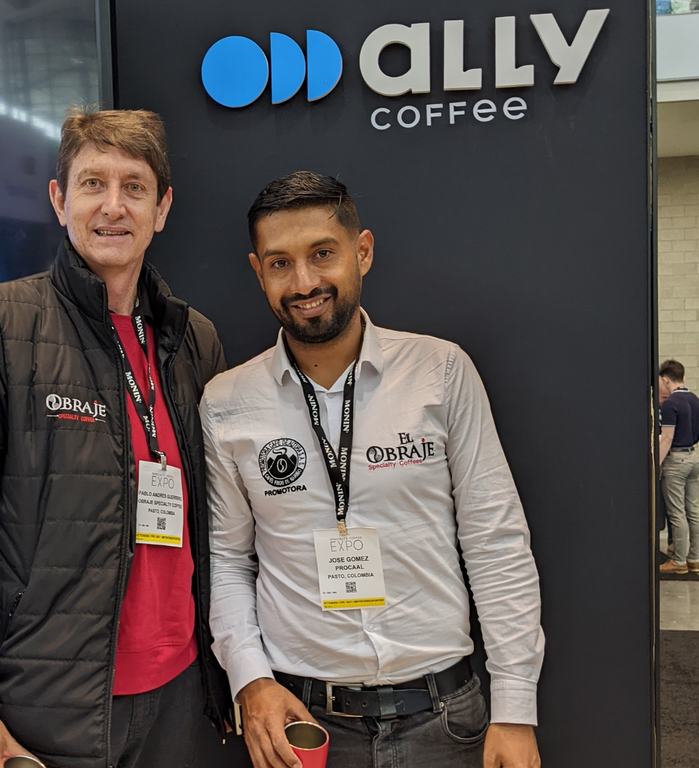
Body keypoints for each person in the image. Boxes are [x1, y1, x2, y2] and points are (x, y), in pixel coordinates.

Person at [0, 108, 229, 768]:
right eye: (92, 184)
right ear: (60, 200)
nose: (113, 206)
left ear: (162, 208)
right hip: (49, 706)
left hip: (180, 695)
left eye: (134, 186)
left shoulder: (194, 341)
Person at [202, 172, 545, 768]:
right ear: (258, 272)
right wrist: (250, 680)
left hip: (445, 720)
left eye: (323, 254)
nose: (304, 282)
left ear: (362, 252)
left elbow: (496, 542)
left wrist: (515, 709)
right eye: (280, 263)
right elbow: (228, 562)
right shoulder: (227, 402)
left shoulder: (440, 371)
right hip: (302, 726)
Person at [657, 359, 699, 575]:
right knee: (692, 510)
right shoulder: (697, 401)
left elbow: (666, 439)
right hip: (693, 458)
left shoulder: (670, 405)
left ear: (665, 379)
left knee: (676, 512)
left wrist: (654, 465)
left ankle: (677, 561)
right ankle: (693, 558)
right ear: (683, 378)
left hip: (676, 461)